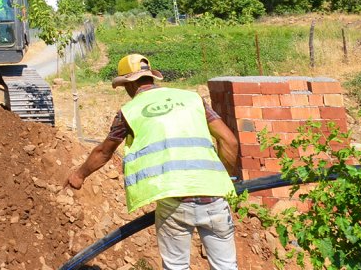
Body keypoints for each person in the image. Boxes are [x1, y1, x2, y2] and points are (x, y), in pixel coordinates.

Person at [64, 54, 241, 270]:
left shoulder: (129, 111)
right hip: (214, 199)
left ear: (129, 84)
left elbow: (103, 152)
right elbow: (229, 141)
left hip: (175, 201)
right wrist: (225, 179)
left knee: (176, 267)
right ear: (151, 77)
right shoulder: (192, 99)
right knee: (226, 266)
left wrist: (78, 175)